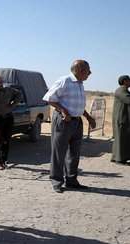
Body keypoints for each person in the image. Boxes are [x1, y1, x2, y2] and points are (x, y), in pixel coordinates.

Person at [42, 60, 96, 193]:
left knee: (74, 153)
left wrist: (88, 117)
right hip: (64, 121)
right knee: (59, 153)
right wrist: (63, 111)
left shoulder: (80, 84)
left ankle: (71, 181)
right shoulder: (65, 80)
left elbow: (77, 105)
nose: (90, 72)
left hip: (77, 122)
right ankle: (56, 181)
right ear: (80, 69)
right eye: (88, 69)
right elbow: (49, 98)